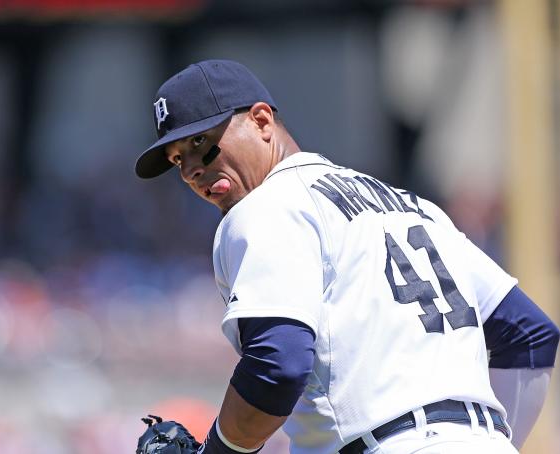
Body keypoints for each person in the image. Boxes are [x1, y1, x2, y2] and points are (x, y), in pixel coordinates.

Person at [134, 59, 559, 454]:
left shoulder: (265, 206)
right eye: (178, 160)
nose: (191, 169)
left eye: (201, 143)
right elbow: (529, 333)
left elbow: (278, 365)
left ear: (262, 121)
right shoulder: (414, 206)